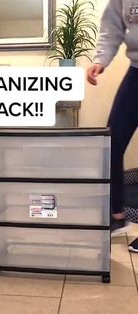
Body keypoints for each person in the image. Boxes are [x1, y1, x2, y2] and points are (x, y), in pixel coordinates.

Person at [87, 0, 138, 251]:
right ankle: (118, 217)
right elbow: (112, 28)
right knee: (112, 141)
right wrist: (101, 60)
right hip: (137, 71)